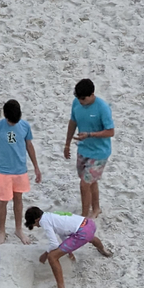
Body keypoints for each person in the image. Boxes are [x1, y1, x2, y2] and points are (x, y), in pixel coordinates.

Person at [0, 99, 42, 245]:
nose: (14, 123)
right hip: (3, 171)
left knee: (18, 199)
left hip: (20, 170)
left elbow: (29, 145)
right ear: (5, 116)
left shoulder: (25, 126)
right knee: (3, 200)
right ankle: (2, 231)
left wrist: (36, 166)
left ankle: (18, 229)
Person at [24, 206, 112, 288]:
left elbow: (54, 244)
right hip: (89, 224)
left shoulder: (44, 221)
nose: (36, 226)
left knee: (52, 256)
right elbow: (63, 232)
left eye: (34, 224)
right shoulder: (51, 215)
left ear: (36, 220)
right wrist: (69, 251)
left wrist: (45, 254)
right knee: (90, 237)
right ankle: (104, 250)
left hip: (82, 233)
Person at [63, 79, 114, 218]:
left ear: (92, 94)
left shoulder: (102, 108)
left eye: (83, 98)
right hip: (83, 149)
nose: (80, 101)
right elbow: (72, 122)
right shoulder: (77, 102)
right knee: (90, 181)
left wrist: (90, 135)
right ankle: (96, 208)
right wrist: (67, 144)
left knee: (84, 184)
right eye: (78, 98)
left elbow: (110, 131)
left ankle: (84, 217)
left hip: (99, 153)